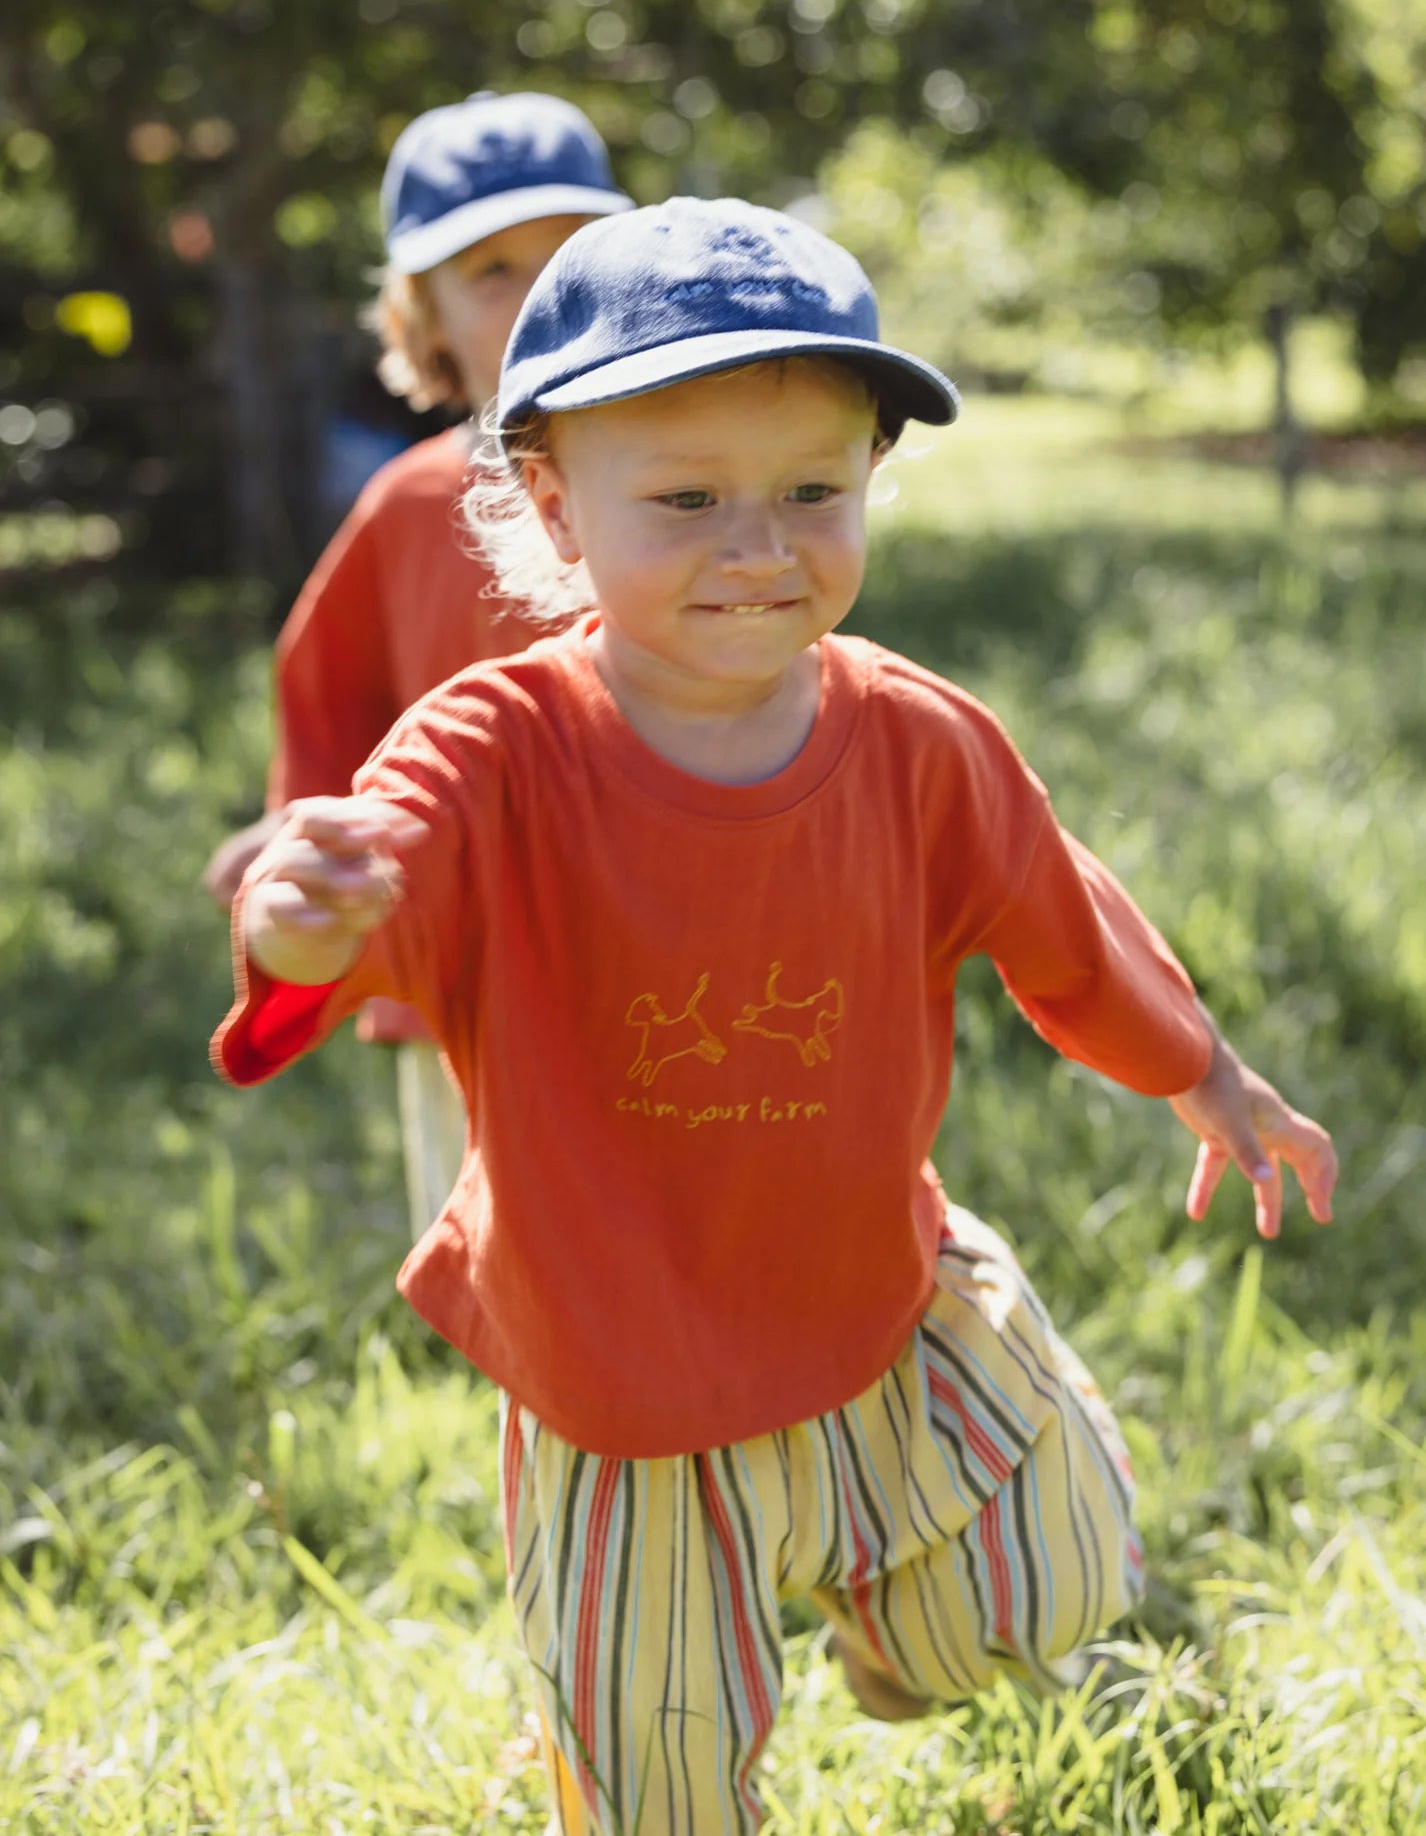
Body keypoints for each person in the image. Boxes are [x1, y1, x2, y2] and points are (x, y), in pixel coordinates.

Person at [212, 199, 1338, 1835]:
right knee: (662, 1778)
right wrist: (301, 925)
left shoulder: (915, 737)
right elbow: (363, 909)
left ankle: (886, 1635)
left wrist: (1205, 1070)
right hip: (617, 1370)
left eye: (812, 491)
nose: (761, 546)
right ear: (555, 507)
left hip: (875, 1296)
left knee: (1049, 1591)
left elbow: (1057, 906)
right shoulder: (489, 749)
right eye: (686, 500)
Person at [202, 90, 633, 1240]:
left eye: (567, 258)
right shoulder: (410, 506)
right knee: (511, 1241)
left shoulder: (679, 481)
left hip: (658, 915)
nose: (538, 294)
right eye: (492, 269)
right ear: (421, 315)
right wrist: (308, 831)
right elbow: (332, 691)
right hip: (466, 956)